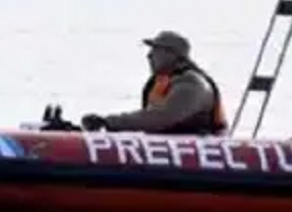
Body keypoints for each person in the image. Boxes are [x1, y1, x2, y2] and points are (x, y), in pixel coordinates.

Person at [81, 30, 228, 135]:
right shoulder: (163, 81)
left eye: (156, 50)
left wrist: (109, 122)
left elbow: (161, 117)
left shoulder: (192, 85)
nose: (149, 55)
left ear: (173, 55)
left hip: (196, 156)